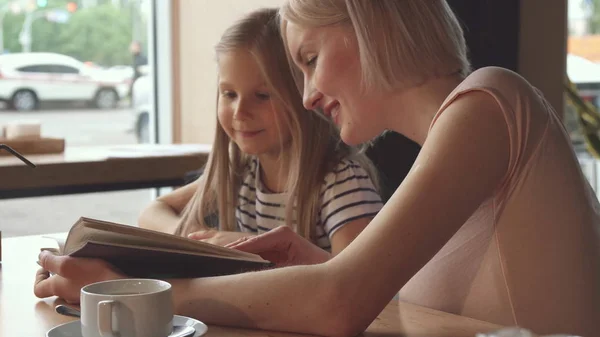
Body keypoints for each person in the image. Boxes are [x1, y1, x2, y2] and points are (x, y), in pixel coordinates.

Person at [34, 1, 600, 336]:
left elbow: (339, 304)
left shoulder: (489, 103)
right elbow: (420, 314)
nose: (306, 96)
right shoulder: (453, 141)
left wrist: (143, 295)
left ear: (371, 23)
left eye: (309, 60)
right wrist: (321, 265)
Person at [134, 8, 382, 254]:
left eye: (262, 96)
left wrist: (251, 249)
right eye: (229, 94)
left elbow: (356, 282)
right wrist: (198, 239)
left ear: (304, 95)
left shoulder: (340, 182)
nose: (240, 112)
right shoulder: (239, 170)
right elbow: (152, 212)